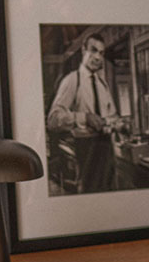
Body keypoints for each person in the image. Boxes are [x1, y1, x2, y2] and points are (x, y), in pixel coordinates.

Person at [47, 33, 120, 193]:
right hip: (86, 149)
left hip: (107, 149)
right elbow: (53, 119)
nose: (98, 57)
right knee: (89, 195)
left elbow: (112, 115)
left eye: (101, 53)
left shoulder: (103, 84)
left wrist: (117, 123)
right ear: (83, 50)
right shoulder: (72, 80)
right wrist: (85, 118)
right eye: (93, 50)